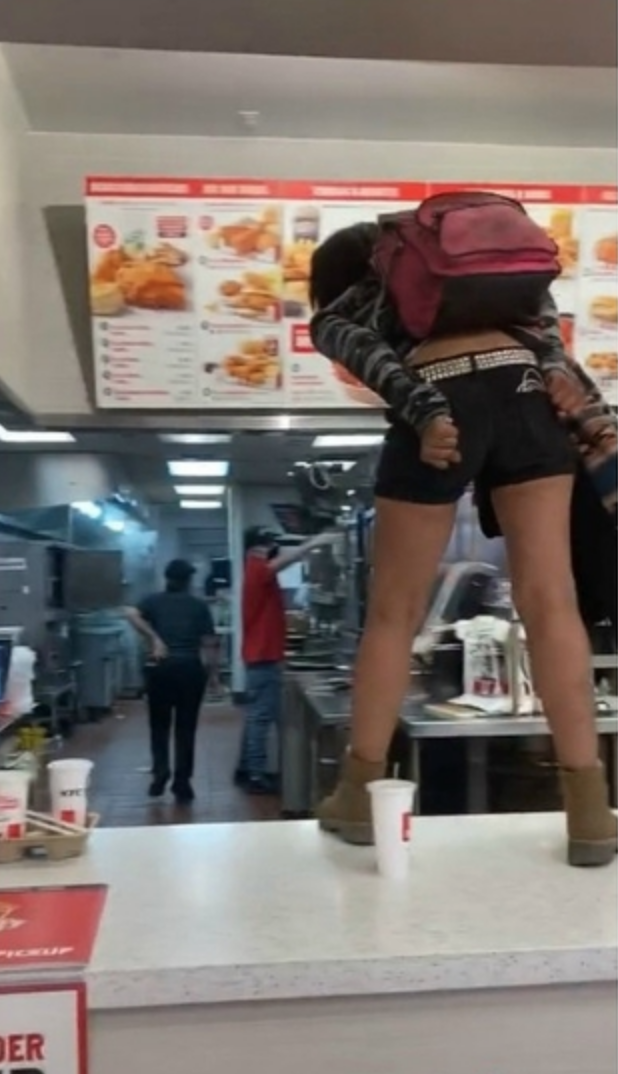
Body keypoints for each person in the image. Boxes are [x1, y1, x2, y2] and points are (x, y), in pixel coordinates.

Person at [308, 222, 617, 868]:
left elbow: (368, 356)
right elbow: (545, 319)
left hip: (439, 399)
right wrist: (551, 368)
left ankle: (358, 798)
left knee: (394, 612)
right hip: (526, 394)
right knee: (552, 602)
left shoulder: (353, 301)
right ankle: (590, 812)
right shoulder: (489, 291)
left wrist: (424, 411)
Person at [236, 526, 334, 795]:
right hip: (263, 657)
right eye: (270, 545)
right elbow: (281, 562)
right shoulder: (256, 566)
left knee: (257, 716)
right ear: (261, 546)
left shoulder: (255, 568)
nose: (273, 549)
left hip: (262, 656)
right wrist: (313, 542)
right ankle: (255, 775)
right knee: (260, 717)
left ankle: (246, 768)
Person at [126, 559, 217, 804]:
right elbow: (209, 643)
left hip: (161, 668)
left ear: (167, 579)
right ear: (188, 581)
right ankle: (182, 782)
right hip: (190, 669)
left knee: (159, 725)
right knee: (186, 728)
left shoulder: (152, 601)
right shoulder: (198, 605)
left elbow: (130, 613)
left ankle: (160, 772)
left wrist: (154, 638)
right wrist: (214, 676)